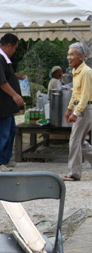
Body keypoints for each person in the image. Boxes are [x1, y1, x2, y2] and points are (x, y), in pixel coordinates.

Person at [0, 33, 25, 171]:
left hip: (6, 105)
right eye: (14, 48)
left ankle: (5, 158)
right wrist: (15, 95)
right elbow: (0, 81)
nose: (14, 52)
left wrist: (14, 76)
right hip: (0, 104)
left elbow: (4, 75)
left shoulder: (0, 57)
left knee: (10, 131)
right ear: (9, 45)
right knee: (1, 134)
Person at [62, 42, 92, 181]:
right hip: (80, 108)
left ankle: (74, 173)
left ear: (81, 56)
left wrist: (76, 112)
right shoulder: (76, 71)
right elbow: (76, 94)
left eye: (72, 54)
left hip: (85, 109)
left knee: (74, 141)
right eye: (68, 54)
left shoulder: (86, 72)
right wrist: (69, 109)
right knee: (81, 143)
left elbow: (85, 96)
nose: (69, 57)